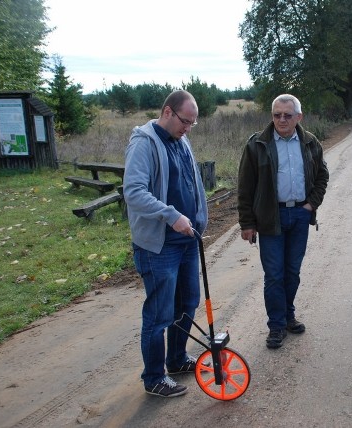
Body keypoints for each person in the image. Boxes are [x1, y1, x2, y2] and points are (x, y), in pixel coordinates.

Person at [124, 90, 209, 397]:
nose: (188, 127)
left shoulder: (182, 140)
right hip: (158, 247)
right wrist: (171, 215)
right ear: (168, 112)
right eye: (185, 121)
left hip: (186, 241)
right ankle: (154, 378)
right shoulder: (144, 143)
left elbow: (192, 183)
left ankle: (176, 359)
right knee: (159, 314)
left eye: (192, 123)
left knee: (187, 305)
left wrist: (199, 216)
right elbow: (133, 192)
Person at [238, 94, 329, 349]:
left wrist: (311, 204)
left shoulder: (310, 142)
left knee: (292, 272)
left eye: (287, 115)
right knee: (274, 275)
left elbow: (322, 175)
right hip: (270, 218)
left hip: (299, 215)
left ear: (298, 117)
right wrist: (247, 223)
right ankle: (276, 326)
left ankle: (288, 316)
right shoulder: (257, 144)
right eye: (277, 114)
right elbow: (245, 186)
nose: (281, 119)